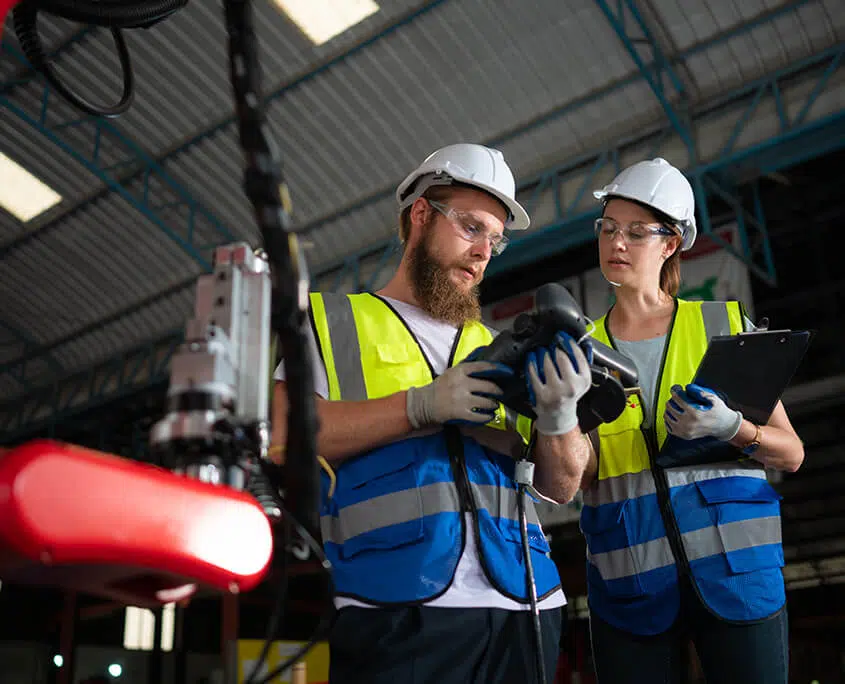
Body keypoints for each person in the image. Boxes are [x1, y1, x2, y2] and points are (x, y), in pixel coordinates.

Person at [271, 143, 594, 684]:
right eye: (471, 228)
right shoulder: (331, 323)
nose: (483, 252)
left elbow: (560, 488)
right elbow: (285, 438)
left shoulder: (500, 346)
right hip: (395, 603)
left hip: (527, 604)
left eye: (495, 240)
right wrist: (417, 406)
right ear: (421, 215)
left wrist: (560, 419)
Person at [570, 158, 804, 683]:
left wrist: (733, 429)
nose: (617, 243)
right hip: (630, 582)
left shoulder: (723, 325)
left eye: (636, 232)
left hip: (737, 574)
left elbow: (791, 453)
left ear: (671, 244)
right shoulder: (581, 351)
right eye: (608, 228)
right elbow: (577, 476)